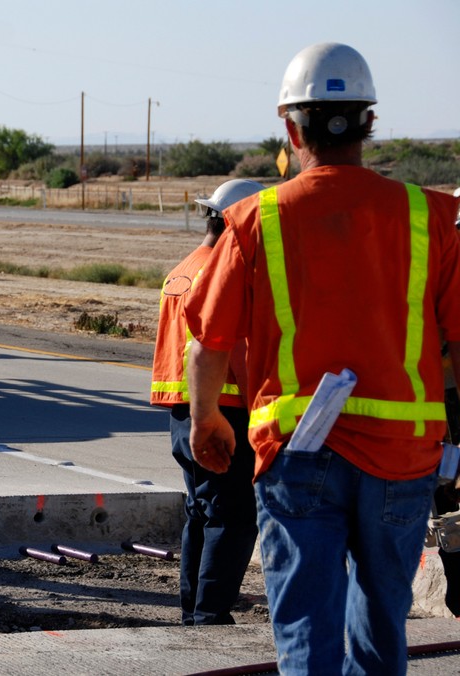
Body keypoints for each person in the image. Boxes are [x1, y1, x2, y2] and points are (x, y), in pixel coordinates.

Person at [184, 42, 460, 673]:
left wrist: (205, 421)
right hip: (403, 454)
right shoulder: (430, 216)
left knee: (307, 626)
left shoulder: (258, 219)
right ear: (369, 123)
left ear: (290, 126)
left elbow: (208, 343)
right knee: (383, 623)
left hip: (300, 453)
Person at [150, 178, 263, 626]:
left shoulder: (182, 269)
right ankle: (211, 615)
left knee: (200, 511)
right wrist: (261, 409)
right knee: (233, 516)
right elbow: (231, 348)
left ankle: (193, 609)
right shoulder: (224, 273)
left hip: (185, 413)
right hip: (225, 411)